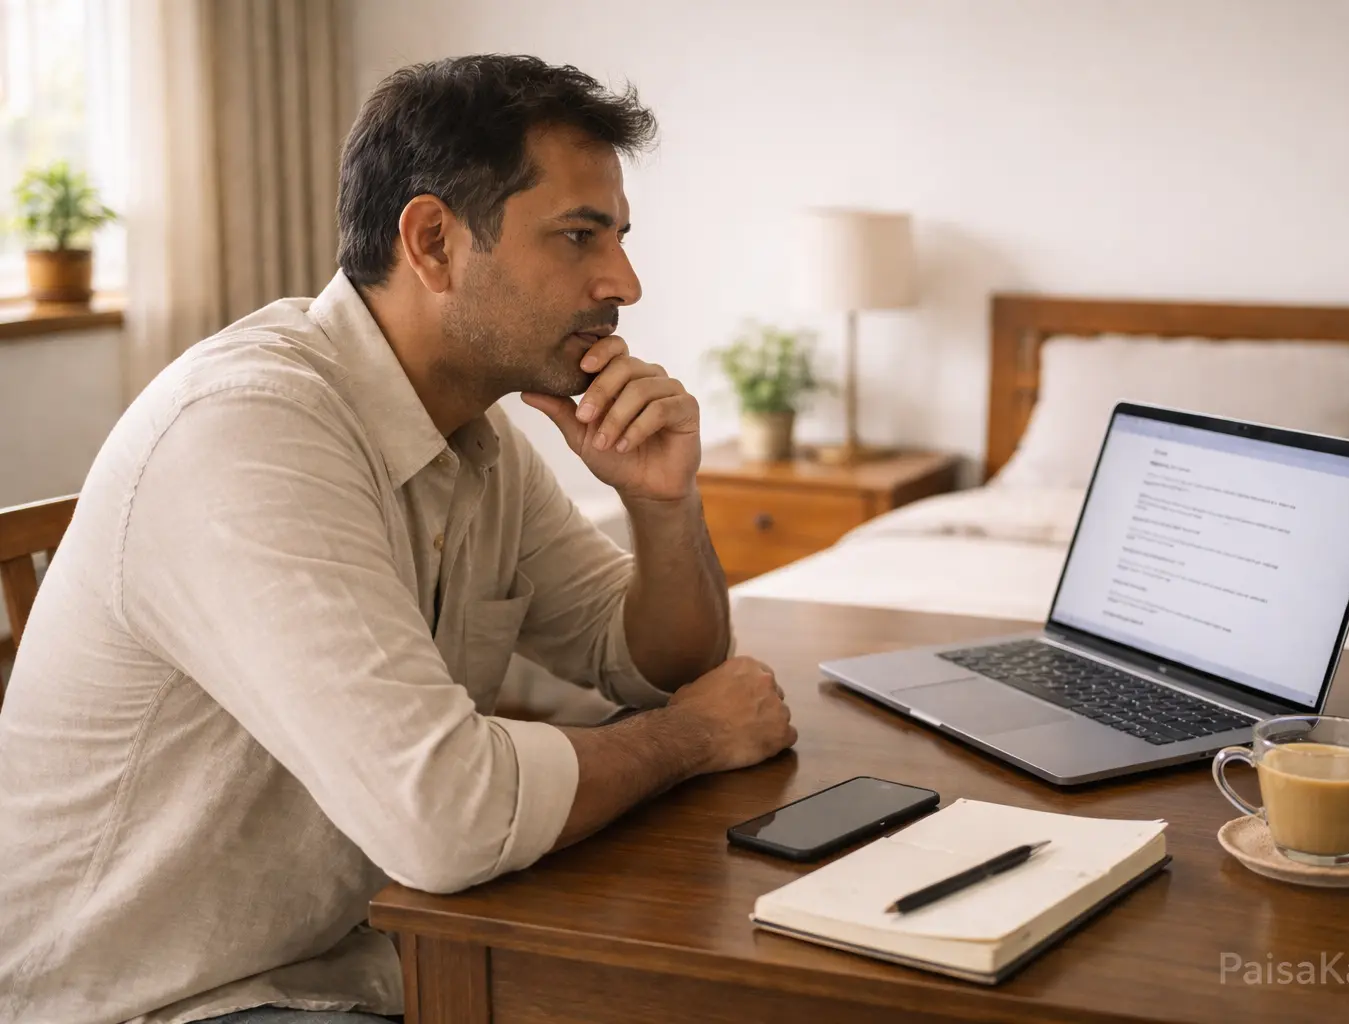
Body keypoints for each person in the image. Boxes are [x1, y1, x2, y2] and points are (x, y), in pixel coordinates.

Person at [0, 55, 796, 1024]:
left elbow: (649, 660)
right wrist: (695, 737)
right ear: (432, 241)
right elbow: (449, 819)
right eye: (580, 236)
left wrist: (663, 507)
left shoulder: (477, 428)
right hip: (148, 997)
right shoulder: (249, 429)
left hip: (349, 953)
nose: (623, 281)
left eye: (619, 237)